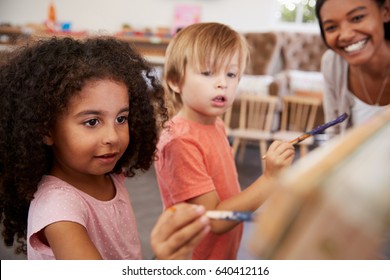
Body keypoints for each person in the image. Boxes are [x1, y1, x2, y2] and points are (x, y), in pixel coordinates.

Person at [0, 37, 211, 260]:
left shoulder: (110, 176)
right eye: (92, 122)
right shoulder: (59, 211)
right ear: (46, 129)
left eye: (121, 118)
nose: (113, 137)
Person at [154, 22, 295, 260]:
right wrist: (270, 178)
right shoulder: (179, 142)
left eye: (231, 74)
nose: (223, 83)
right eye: (208, 73)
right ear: (175, 81)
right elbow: (216, 219)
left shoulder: (216, 123)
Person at [316, 0, 390, 135]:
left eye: (357, 18)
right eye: (331, 27)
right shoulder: (332, 63)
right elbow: (334, 135)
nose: (346, 35)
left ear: (386, 11)